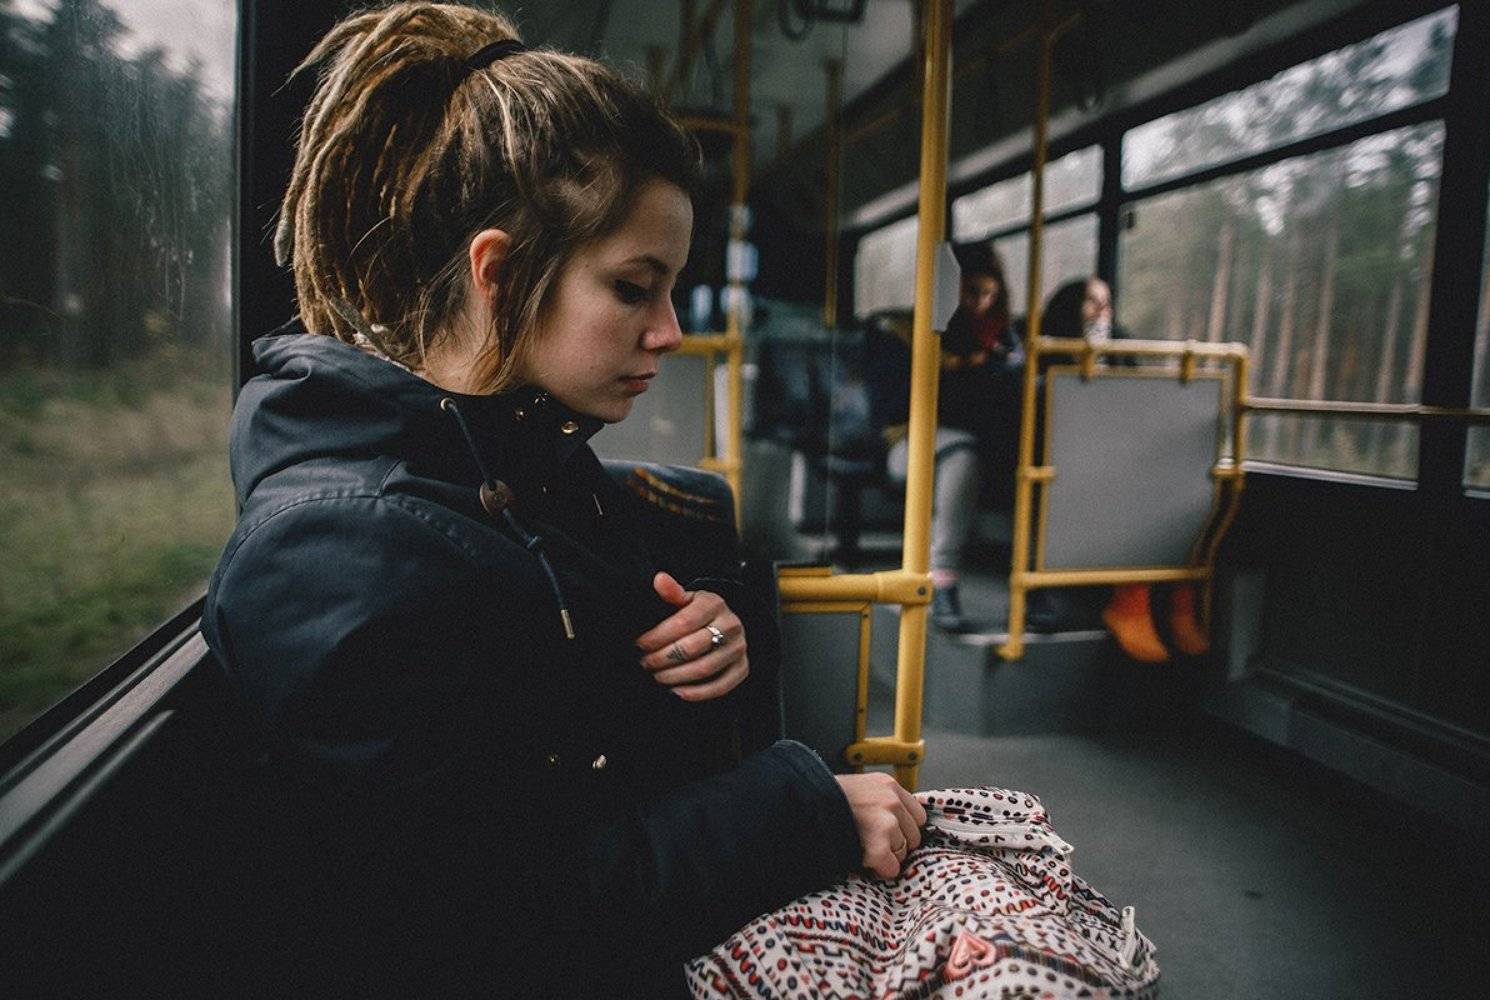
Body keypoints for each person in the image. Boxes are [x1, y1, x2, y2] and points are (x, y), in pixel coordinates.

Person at [201, 6, 925, 997]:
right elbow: (504, 918)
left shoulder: (521, 460)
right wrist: (810, 807)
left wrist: (710, 635)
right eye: (635, 287)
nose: (670, 331)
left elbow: (549, 740)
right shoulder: (335, 558)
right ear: (498, 275)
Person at [1035, 276, 1209, 661]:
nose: (1102, 311)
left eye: (1107, 302)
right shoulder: (1045, 353)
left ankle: (1172, 600)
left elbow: (1140, 403)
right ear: (1070, 309)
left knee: (1181, 487)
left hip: (1115, 455)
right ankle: (1125, 603)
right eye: (1091, 302)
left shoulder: (1122, 350)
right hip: (1061, 456)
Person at [875, 243, 1021, 631]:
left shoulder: (1002, 340)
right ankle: (943, 578)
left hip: (975, 441)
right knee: (963, 456)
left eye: (990, 294)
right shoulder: (906, 335)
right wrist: (956, 369)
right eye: (971, 292)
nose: (981, 304)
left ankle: (1031, 578)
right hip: (908, 442)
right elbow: (894, 404)